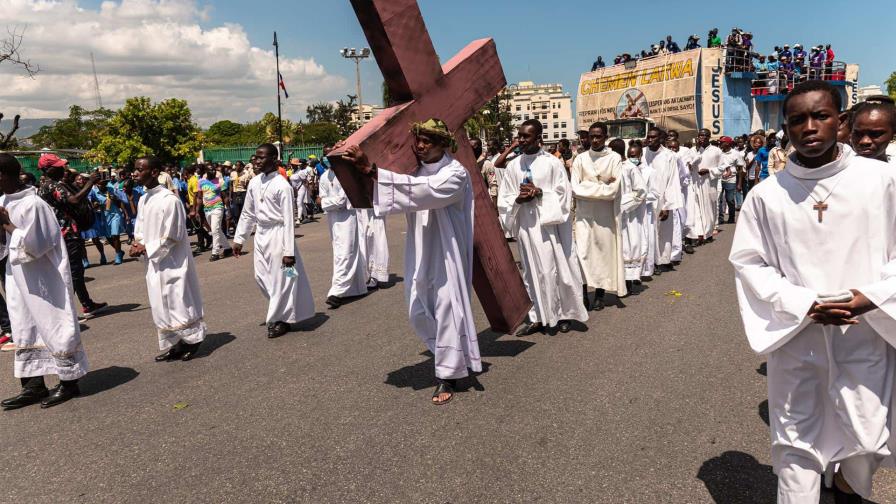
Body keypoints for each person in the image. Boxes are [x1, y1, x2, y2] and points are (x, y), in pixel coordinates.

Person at [730, 80, 896, 504]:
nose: (809, 127)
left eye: (820, 116)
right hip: (798, 338)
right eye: (797, 119)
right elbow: (749, 262)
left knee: (868, 438)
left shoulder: (882, 179)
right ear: (786, 128)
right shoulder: (767, 196)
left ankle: (846, 487)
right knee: (795, 444)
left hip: (865, 331)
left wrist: (874, 295)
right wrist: (804, 304)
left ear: (840, 121)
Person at [341, 119, 482, 405]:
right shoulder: (413, 170)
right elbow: (407, 185)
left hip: (447, 252)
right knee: (417, 308)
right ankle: (450, 351)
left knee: (446, 307)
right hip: (420, 247)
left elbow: (424, 192)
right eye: (418, 139)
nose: (420, 145)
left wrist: (371, 170)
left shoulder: (456, 173)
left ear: (444, 144)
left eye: (428, 140)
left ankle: (447, 373)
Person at [0, 154, 88, 410]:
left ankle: (69, 381)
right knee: (23, 327)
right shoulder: (4, 200)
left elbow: (35, 246)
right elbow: (6, 246)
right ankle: (33, 385)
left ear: (3, 175)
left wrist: (6, 224)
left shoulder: (34, 205)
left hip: (43, 279)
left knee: (53, 325)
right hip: (18, 278)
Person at [500, 119, 588, 334]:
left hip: (549, 227)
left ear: (538, 137)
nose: (521, 139)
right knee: (531, 272)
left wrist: (540, 193)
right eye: (519, 135)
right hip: (526, 227)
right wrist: (518, 200)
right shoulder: (513, 165)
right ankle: (537, 316)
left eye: (525, 136)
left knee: (554, 270)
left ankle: (562, 314)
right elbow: (505, 198)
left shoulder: (552, 163)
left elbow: (564, 194)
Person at [233, 144, 315, 339]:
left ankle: (280, 320)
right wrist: (239, 238)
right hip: (261, 234)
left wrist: (289, 252)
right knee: (261, 277)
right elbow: (247, 213)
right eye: (256, 157)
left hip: (279, 235)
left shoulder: (282, 185)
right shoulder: (254, 182)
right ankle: (282, 311)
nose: (257, 161)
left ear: (274, 160)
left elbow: (288, 220)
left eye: (262, 158)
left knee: (284, 278)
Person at [129, 157, 205, 362]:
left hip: (172, 261)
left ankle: (193, 340)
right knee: (160, 302)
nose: (134, 173)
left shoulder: (169, 200)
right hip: (154, 262)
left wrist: (148, 247)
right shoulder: (144, 198)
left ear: (154, 172)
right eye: (134, 169)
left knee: (178, 299)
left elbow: (173, 234)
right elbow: (140, 228)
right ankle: (175, 342)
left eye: (139, 169)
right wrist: (138, 244)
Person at [36, 154, 107, 319]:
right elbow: (74, 200)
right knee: (72, 272)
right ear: (48, 169)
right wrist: (90, 183)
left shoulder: (44, 185)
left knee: (75, 271)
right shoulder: (52, 185)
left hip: (62, 234)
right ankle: (64, 313)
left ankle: (86, 303)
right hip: (66, 234)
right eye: (59, 166)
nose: (63, 169)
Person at [571, 121, 626, 308]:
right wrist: (601, 185)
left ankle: (600, 294)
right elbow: (575, 189)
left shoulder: (614, 158)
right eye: (591, 136)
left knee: (603, 254)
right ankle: (584, 293)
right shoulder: (580, 159)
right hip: (584, 216)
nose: (594, 140)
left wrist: (587, 186)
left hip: (605, 216)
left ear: (605, 137)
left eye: (598, 136)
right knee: (582, 253)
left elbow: (614, 190)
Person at [318, 159, 368, 308]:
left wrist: (324, 202)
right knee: (342, 252)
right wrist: (325, 202)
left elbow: (341, 200)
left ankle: (337, 291)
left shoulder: (346, 175)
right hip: (333, 220)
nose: (327, 159)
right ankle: (358, 288)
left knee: (346, 253)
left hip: (348, 217)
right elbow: (321, 197)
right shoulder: (324, 176)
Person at [642, 127, 682, 271]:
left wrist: (667, 206)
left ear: (660, 139)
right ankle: (649, 262)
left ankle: (663, 260)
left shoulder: (669, 156)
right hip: (645, 200)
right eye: (649, 137)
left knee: (664, 231)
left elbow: (672, 182)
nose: (650, 140)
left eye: (654, 137)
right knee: (647, 232)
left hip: (662, 199)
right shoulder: (643, 154)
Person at [686, 129, 722, 244]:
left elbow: (722, 167)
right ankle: (700, 234)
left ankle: (709, 233)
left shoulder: (716, 151)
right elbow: (688, 165)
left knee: (709, 209)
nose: (702, 137)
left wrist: (709, 171)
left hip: (709, 183)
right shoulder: (692, 150)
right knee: (696, 208)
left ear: (709, 137)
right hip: (695, 183)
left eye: (705, 135)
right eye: (700, 135)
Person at [619, 144, 648, 290]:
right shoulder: (609, 167)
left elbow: (641, 191)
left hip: (630, 214)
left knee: (630, 246)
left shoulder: (630, 168)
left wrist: (623, 203)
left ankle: (630, 279)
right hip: (613, 216)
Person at [195, 164, 229, 261]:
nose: (213, 172)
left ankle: (215, 252)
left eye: (214, 170)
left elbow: (225, 196)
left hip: (218, 207)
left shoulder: (220, 181)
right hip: (207, 209)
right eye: (210, 170)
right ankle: (227, 248)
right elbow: (199, 197)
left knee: (214, 230)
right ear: (206, 171)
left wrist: (228, 209)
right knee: (217, 230)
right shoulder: (201, 182)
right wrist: (197, 211)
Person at [717, 137, 744, 224]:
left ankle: (731, 217)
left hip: (731, 179)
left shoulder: (736, 154)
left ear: (728, 143)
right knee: (719, 199)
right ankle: (720, 218)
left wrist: (739, 183)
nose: (720, 143)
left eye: (722, 142)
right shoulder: (718, 152)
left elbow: (740, 169)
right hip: (718, 179)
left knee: (730, 199)